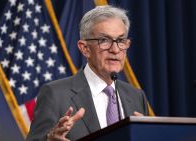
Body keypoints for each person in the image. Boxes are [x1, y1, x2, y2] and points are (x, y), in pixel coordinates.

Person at [27, 5, 149, 141]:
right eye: (104, 40)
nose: (115, 49)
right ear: (85, 48)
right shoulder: (55, 94)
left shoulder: (136, 96)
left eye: (120, 41)